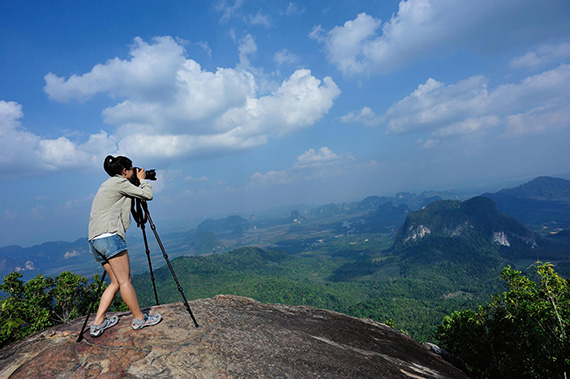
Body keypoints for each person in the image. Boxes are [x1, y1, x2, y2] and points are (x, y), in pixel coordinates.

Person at [87, 155, 162, 337]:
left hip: (94, 240)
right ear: (124, 171)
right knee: (125, 280)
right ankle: (139, 319)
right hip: (110, 237)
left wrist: (136, 181)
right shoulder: (120, 183)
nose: (134, 172)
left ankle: (98, 322)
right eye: (132, 169)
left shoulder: (107, 184)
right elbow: (148, 195)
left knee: (115, 282)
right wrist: (143, 181)